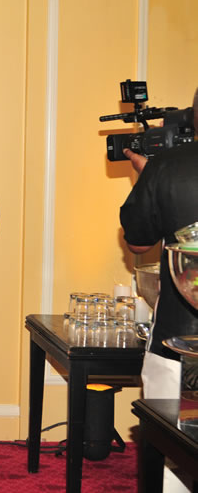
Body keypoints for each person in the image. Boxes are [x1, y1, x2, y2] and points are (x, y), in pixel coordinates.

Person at [119, 88, 198, 492]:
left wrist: (149, 177)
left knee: (175, 454)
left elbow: (137, 241)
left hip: (178, 336)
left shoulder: (166, 167)